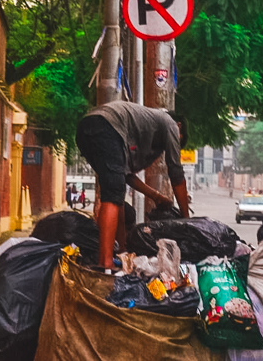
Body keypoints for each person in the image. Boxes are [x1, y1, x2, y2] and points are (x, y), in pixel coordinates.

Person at [75, 101, 190, 271]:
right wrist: (187, 220)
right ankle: (105, 262)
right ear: (179, 126)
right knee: (113, 195)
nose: (174, 147)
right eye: (178, 142)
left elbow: (126, 176)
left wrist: (156, 197)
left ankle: (120, 252)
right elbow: (176, 174)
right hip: (105, 125)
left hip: (85, 129)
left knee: (115, 192)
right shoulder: (170, 123)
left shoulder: (145, 128)